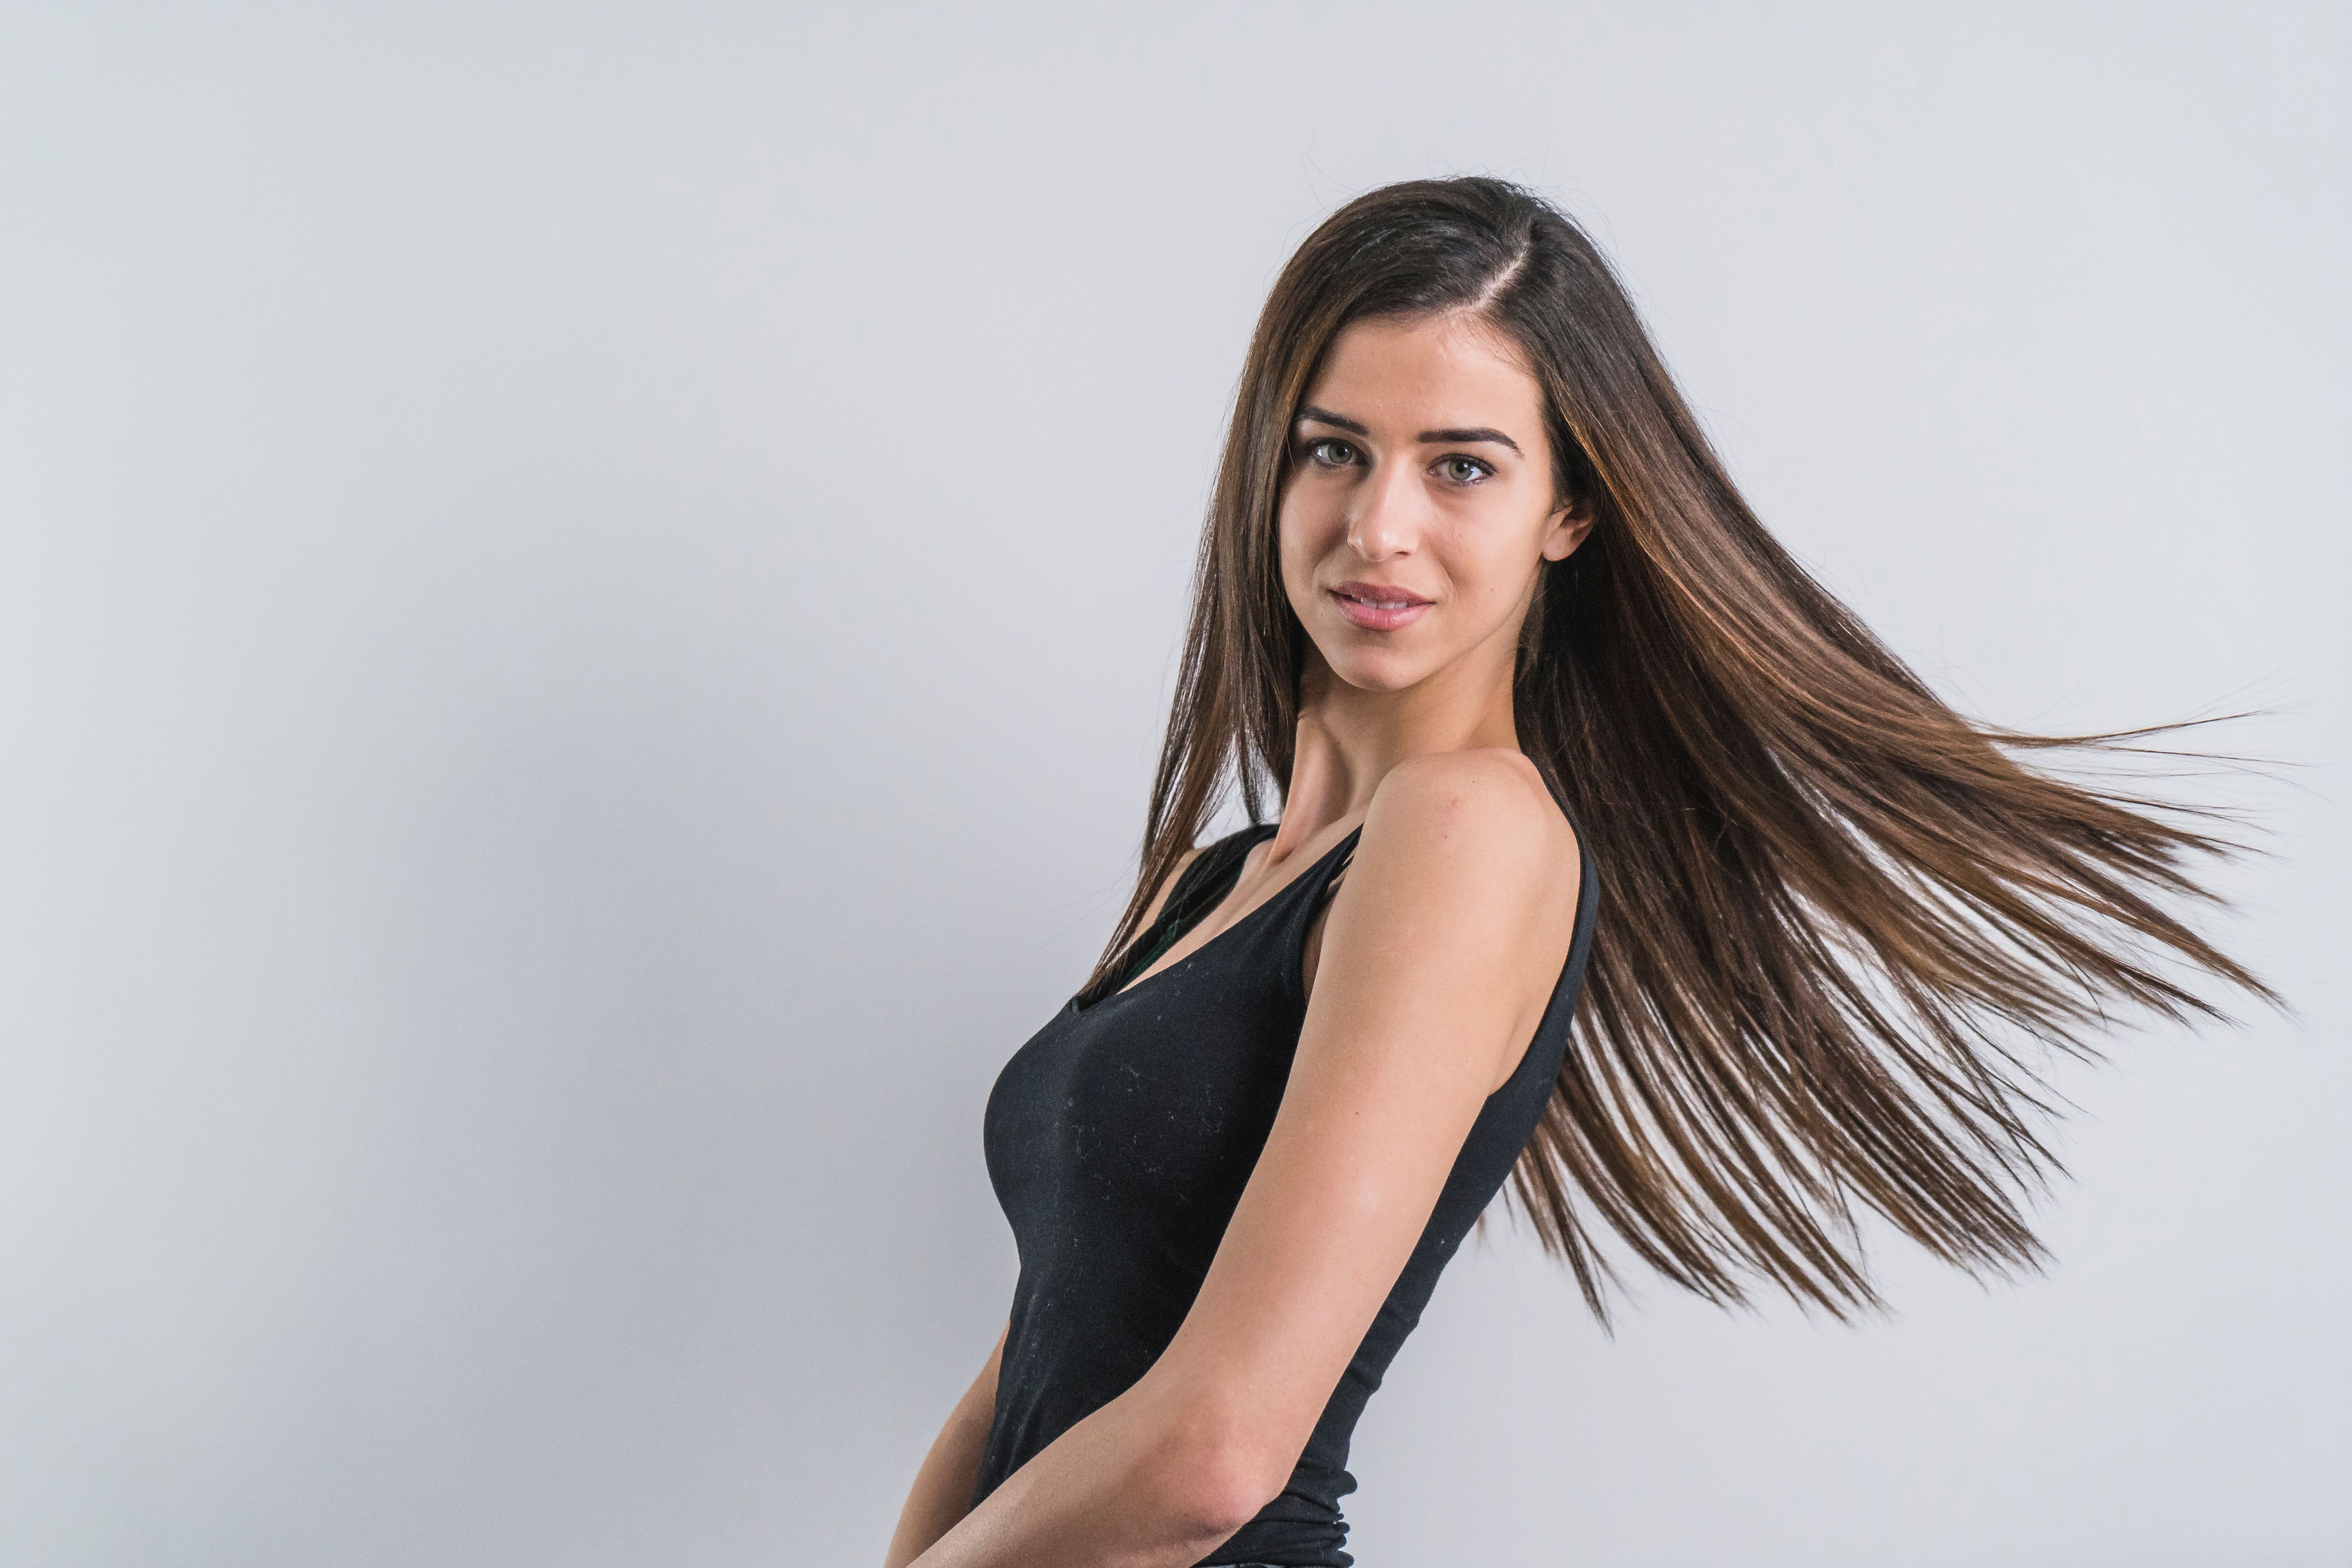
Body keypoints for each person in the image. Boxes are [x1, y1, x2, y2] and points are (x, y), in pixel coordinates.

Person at [880, 177, 2266, 1568]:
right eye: (1333, 452)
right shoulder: (1211, 877)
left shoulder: (1465, 831)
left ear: (1570, 514)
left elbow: (1216, 1460)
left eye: (1461, 467)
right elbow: (1047, 1348)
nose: (1379, 528)